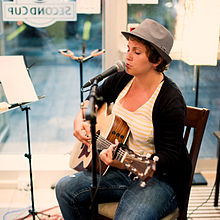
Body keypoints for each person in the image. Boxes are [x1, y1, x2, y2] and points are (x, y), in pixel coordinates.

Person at [56, 18, 192, 220]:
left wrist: (124, 162)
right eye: (128, 49)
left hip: (158, 178)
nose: (127, 56)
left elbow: (170, 158)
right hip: (119, 169)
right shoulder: (123, 78)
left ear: (157, 60)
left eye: (136, 52)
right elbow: (95, 98)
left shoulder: (170, 100)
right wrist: (81, 118)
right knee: (65, 189)